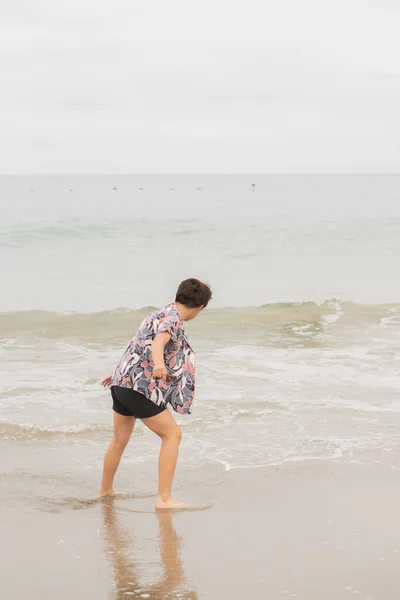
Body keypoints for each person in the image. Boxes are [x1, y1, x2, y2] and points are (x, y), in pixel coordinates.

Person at [99, 278, 212, 509]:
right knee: (173, 435)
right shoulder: (174, 319)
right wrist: (159, 365)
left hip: (122, 383)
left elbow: (137, 343)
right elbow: (157, 343)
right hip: (138, 388)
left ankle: (105, 491)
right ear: (200, 307)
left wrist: (119, 373)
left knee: (120, 440)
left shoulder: (158, 313)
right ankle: (164, 499)